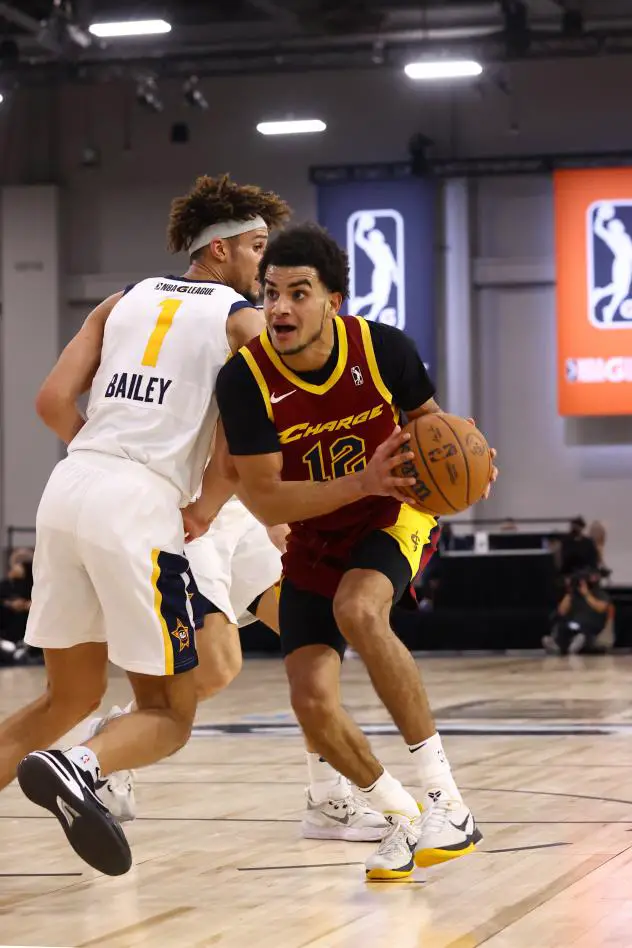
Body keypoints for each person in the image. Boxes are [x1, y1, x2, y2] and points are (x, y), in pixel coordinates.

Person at [0, 174, 290, 875]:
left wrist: (106, 455)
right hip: (140, 504)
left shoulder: (119, 300)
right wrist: (203, 505)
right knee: (169, 712)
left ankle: (72, 755)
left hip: (69, 487)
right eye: (256, 249)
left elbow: (50, 401)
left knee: (68, 693)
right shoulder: (241, 321)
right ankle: (81, 767)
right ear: (217, 251)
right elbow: (250, 437)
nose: (265, 268)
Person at [211, 223, 497, 880]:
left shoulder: (385, 350)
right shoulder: (245, 381)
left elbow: (432, 429)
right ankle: (400, 818)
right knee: (310, 700)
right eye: (271, 292)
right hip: (315, 527)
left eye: (299, 293)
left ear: (333, 301)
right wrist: (355, 480)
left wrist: (471, 463)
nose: (280, 308)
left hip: (390, 511)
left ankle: (446, 802)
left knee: (359, 610)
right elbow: (268, 502)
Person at [90, 497, 387, 842]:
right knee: (216, 667)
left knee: (316, 640)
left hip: (243, 510)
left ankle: (327, 798)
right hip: (189, 513)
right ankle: (112, 742)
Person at [543, 568, 611, 655]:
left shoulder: (599, 593)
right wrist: (570, 592)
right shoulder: (572, 596)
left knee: (584, 633)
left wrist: (586, 594)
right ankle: (557, 645)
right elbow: (561, 611)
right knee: (562, 626)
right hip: (573, 625)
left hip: (590, 626)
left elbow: (601, 608)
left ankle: (578, 644)